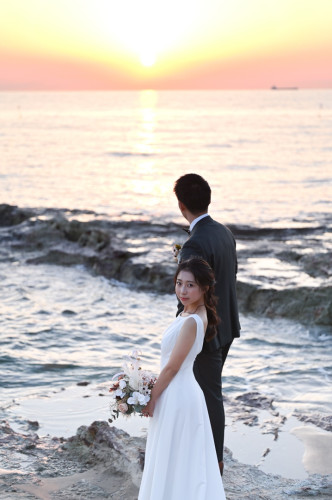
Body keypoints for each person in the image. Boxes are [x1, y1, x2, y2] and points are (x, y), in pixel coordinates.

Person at [138, 258, 226, 500]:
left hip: (177, 396)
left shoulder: (192, 321)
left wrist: (151, 398)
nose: (183, 291)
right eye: (179, 283)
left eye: (191, 285)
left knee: (174, 458)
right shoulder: (192, 312)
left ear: (204, 288)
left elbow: (172, 367)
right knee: (178, 459)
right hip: (179, 392)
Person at [174, 173, 240, 475]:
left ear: (181, 204)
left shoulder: (194, 243)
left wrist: (182, 329)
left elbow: (188, 299)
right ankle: (200, 453)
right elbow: (230, 279)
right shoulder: (225, 233)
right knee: (203, 393)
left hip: (205, 334)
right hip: (226, 328)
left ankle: (214, 464)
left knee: (208, 395)